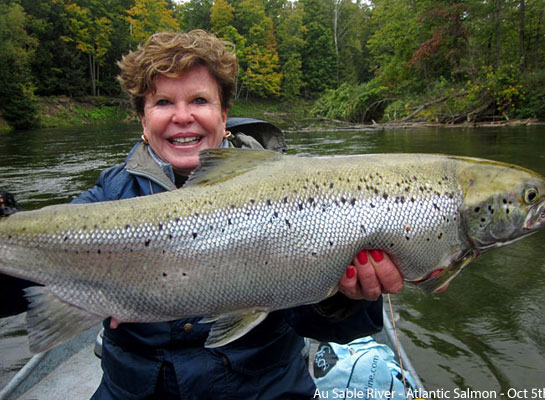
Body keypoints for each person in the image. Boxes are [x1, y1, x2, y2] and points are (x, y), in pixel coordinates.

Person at [4, 30, 405, 399]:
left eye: (199, 100)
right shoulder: (109, 197)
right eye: (163, 102)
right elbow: (15, 286)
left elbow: (331, 329)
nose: (182, 116)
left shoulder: (293, 192)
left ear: (224, 114)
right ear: (143, 120)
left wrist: (345, 301)